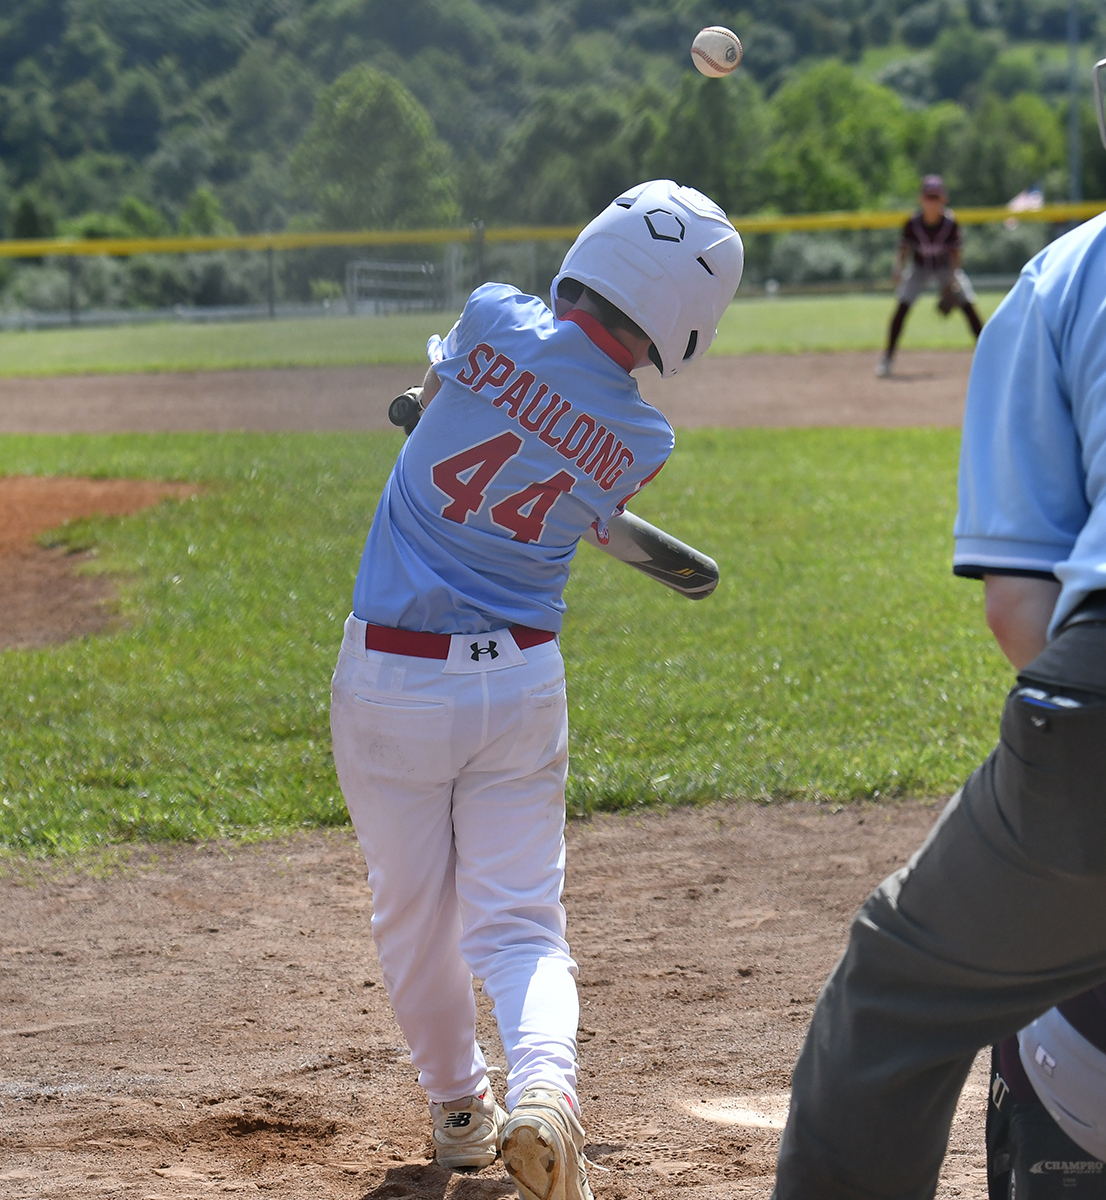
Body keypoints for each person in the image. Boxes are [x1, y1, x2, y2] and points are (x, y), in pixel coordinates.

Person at [329, 180, 742, 1200]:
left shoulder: (488, 314)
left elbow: (431, 404)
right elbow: (568, 483)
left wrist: (434, 398)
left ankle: (461, 1114)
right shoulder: (646, 443)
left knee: (415, 918)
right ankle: (547, 1093)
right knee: (520, 923)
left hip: (390, 679)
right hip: (519, 681)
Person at [770, 68, 1106, 1200]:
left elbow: (1019, 609)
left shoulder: (1069, 272)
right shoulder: (940, 228)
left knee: (893, 1000)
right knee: (924, 296)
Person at [876, 174, 983, 378]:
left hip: (946, 268)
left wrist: (951, 281)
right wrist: (898, 268)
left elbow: (956, 255)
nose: (932, 202)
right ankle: (887, 359)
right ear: (921, 199)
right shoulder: (913, 223)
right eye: (928, 197)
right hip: (919, 268)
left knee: (969, 307)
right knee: (901, 308)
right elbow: (904, 248)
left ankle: (992, 359)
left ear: (944, 198)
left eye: (936, 197)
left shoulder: (950, 223)